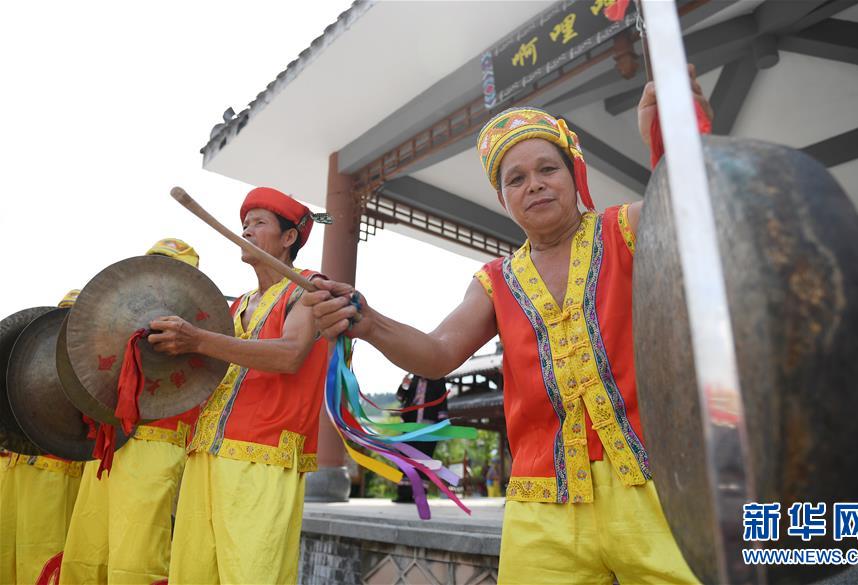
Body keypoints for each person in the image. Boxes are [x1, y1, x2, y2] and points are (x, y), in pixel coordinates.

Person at [302, 72, 711, 583]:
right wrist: (369, 322)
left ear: (574, 175)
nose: (534, 183)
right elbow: (438, 351)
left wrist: (676, 139)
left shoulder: (626, 227)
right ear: (503, 199)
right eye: (515, 178)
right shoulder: (496, 280)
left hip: (655, 485)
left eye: (547, 169)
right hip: (542, 502)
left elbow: (697, 214)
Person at [149, 187, 330, 584]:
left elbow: (290, 354)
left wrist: (197, 339)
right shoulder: (234, 305)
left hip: (261, 457)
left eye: (259, 223)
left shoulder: (310, 288)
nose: (246, 231)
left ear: (288, 238)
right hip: (205, 455)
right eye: (244, 225)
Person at [60, 239, 201, 585]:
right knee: (85, 559)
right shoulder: (120, 318)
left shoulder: (200, 326)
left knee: (136, 565)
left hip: (158, 449)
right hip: (110, 447)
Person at [1, 291, 84, 585]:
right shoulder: (30, 358)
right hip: (17, 467)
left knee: (45, 557)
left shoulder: (92, 368)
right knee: (8, 555)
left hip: (60, 473)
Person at [393, 373, 448, 503]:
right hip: (410, 427)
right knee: (405, 459)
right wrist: (404, 385)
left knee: (423, 461)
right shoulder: (413, 380)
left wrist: (441, 426)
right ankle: (404, 494)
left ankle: (419, 495)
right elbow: (400, 397)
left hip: (428, 428)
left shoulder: (438, 380)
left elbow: (442, 401)